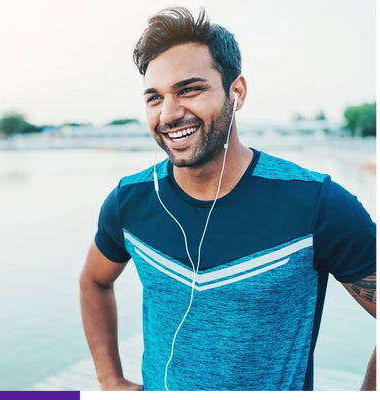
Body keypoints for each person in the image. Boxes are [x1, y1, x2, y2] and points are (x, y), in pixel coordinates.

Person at [79, 6, 379, 393]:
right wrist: (109, 380)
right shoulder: (130, 201)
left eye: (189, 89)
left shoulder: (314, 202)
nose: (169, 114)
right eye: (154, 98)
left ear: (236, 92)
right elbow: (93, 281)